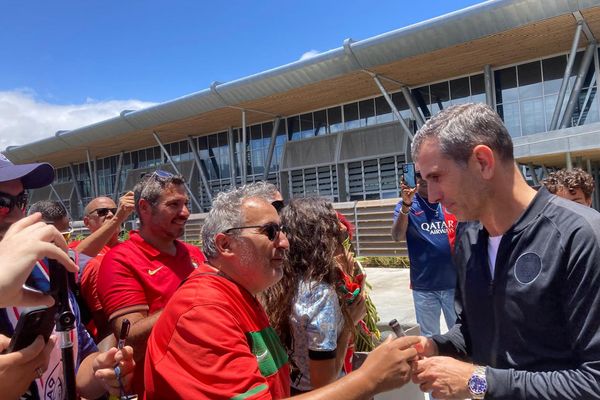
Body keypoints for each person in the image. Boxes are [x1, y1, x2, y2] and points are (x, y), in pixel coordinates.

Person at [145, 183, 420, 399]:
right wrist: (370, 378)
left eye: (284, 230)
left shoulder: (242, 295)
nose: (286, 242)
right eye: (271, 231)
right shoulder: (203, 312)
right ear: (226, 245)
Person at [408, 103, 600, 399]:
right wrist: (436, 346)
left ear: (483, 161)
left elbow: (594, 381)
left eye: (436, 177)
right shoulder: (468, 237)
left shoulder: (580, 237)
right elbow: (474, 331)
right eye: (424, 180)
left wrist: (478, 382)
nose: (432, 195)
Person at [0, 155, 135, 400]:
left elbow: (78, 363)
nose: (15, 214)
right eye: (0, 202)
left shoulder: (47, 270)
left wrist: (100, 371)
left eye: (21, 200)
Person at [97, 170, 208, 395]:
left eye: (185, 203)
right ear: (145, 208)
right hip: (160, 389)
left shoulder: (195, 254)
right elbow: (129, 338)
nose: (185, 212)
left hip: (206, 381)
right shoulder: (120, 260)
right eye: (174, 204)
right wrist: (193, 299)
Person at [263, 197, 366, 394]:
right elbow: (324, 383)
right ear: (322, 238)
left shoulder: (283, 279)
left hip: (290, 386)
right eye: (334, 230)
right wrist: (349, 323)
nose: (340, 233)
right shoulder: (320, 295)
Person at [391, 170, 457, 337]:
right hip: (424, 287)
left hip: (455, 285)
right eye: (419, 175)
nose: (425, 179)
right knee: (429, 338)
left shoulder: (449, 201)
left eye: (430, 175)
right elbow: (397, 236)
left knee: (461, 334)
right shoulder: (405, 206)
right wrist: (406, 205)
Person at [77, 193, 135, 340]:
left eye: (114, 211)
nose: (109, 214)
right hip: (100, 337)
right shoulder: (80, 250)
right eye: (102, 212)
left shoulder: (132, 249)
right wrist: (117, 218)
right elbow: (77, 258)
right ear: (86, 222)